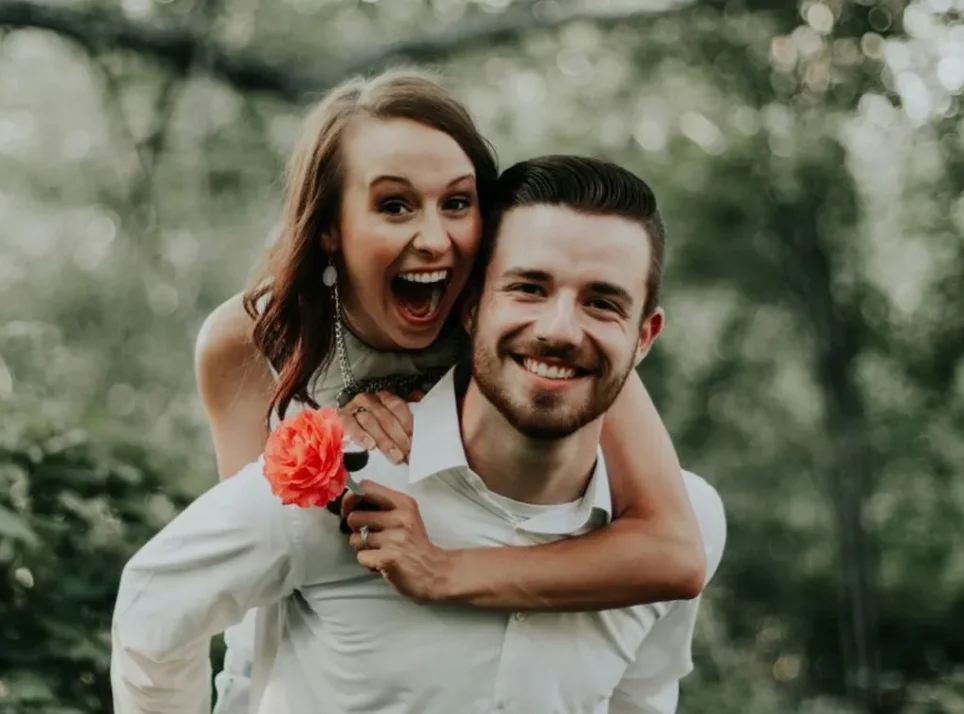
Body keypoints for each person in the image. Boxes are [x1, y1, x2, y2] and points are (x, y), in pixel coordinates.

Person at [112, 155, 728, 714]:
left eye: (602, 303)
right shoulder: (339, 483)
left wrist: (445, 571)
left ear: (644, 336)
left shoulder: (688, 519)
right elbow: (153, 612)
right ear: (469, 305)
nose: (560, 329)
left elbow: (639, 698)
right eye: (528, 288)